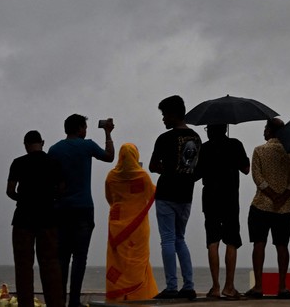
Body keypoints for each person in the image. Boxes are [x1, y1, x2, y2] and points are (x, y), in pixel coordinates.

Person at [48, 114, 114, 307]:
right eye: (84, 127)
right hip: (83, 208)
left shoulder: (54, 150)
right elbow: (109, 157)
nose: (86, 131)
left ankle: (59, 299)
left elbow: (51, 181)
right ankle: (74, 301)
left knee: (62, 257)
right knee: (80, 256)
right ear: (79, 129)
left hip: (60, 209)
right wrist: (108, 132)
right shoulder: (87, 146)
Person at [148, 95, 202, 300]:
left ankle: (171, 286)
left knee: (168, 240)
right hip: (186, 194)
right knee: (180, 239)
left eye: (164, 115)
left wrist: (166, 169)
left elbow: (153, 165)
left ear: (172, 114)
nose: (163, 119)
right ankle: (189, 286)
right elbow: (197, 169)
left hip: (166, 194)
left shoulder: (164, 138)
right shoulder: (196, 138)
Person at [244, 118, 290, 299]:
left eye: (265, 128)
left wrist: (272, 195)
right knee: (282, 246)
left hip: (261, 205)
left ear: (269, 130)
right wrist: (282, 197)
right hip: (284, 208)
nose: (263, 131)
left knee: (259, 244)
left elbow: (257, 178)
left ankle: (258, 287)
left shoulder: (259, 151)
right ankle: (282, 287)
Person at [8, 130, 64, 307]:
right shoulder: (54, 162)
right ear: (43, 143)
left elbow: (10, 190)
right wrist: (49, 198)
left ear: (25, 145)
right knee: (51, 265)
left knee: (23, 266)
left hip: (23, 218)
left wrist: (23, 199)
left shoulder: (18, 163)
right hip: (48, 218)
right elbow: (62, 188)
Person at [195, 124, 250, 299]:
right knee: (231, 241)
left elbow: (195, 174)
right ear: (225, 128)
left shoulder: (204, 148)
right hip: (230, 198)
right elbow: (246, 169)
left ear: (211, 131)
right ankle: (229, 286)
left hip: (210, 199)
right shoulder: (235, 144)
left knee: (213, 241)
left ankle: (215, 287)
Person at [104, 143, 159, 301]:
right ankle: (138, 295)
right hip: (138, 225)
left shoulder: (111, 176)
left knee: (117, 261)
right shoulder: (142, 176)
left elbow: (110, 198)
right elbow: (152, 193)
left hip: (117, 226)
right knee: (138, 261)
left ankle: (118, 296)